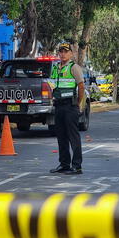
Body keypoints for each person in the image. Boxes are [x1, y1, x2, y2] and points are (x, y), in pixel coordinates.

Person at [49, 42, 85, 175]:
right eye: (61, 51)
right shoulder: (55, 68)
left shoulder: (73, 67)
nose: (63, 54)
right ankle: (64, 164)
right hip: (58, 105)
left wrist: (78, 103)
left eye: (65, 51)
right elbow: (52, 85)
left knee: (73, 137)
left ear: (71, 53)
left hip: (70, 106)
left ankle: (77, 166)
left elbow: (81, 86)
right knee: (61, 137)